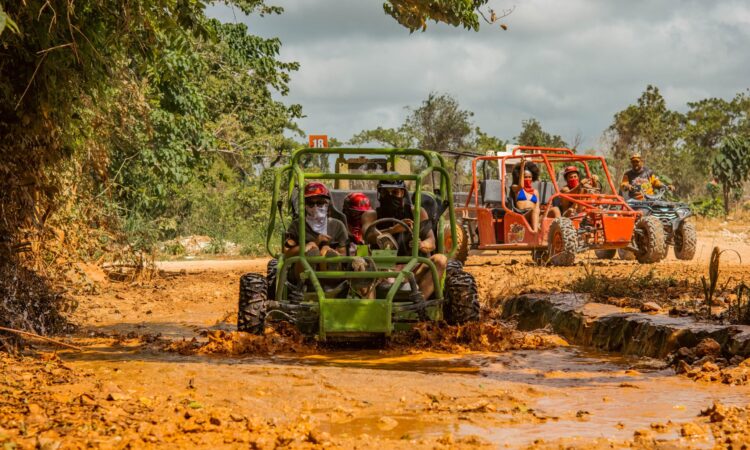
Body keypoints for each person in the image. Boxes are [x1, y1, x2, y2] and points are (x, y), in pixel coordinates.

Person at [360, 175, 446, 300]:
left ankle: (419, 306)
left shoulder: (417, 212)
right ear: (380, 194)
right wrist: (392, 230)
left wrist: (421, 244)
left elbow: (431, 241)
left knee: (440, 260)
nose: (390, 197)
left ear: (402, 193)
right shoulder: (371, 215)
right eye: (385, 193)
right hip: (381, 269)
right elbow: (367, 236)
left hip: (412, 267)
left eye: (395, 192)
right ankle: (371, 310)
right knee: (359, 264)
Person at [284, 182, 348, 276]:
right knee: (310, 252)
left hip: (332, 275)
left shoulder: (337, 225)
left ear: (327, 203)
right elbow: (286, 253)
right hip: (302, 275)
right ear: (304, 205)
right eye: (311, 203)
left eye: (320, 203)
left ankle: (329, 273)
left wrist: (329, 250)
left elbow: (344, 254)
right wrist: (311, 244)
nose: (315, 207)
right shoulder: (297, 225)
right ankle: (309, 276)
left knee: (326, 253)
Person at [510, 159, 542, 231]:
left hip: (534, 214)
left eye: (529, 177)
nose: (528, 179)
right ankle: (535, 233)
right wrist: (522, 167)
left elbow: (537, 207)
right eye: (525, 177)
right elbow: (521, 186)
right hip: (522, 215)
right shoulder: (516, 188)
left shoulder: (535, 192)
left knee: (554, 210)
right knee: (534, 211)